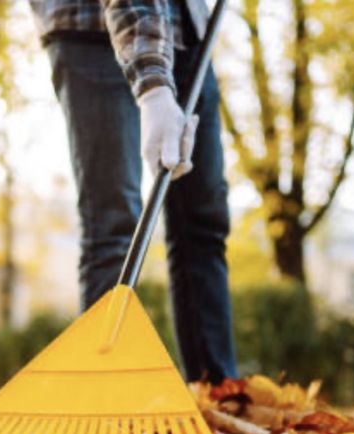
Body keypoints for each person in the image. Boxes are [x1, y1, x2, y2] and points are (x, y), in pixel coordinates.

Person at [28, 0, 238, 383]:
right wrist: (154, 88)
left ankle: (220, 395)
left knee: (204, 226)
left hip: (187, 31)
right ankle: (105, 404)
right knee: (113, 224)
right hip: (90, 29)